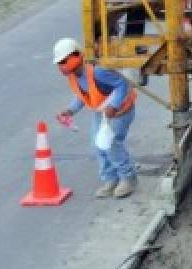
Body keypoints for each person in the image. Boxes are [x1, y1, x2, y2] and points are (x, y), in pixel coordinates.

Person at [53, 37, 138, 199]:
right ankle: (111, 178)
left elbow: (122, 84)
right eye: (59, 62)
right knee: (98, 145)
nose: (62, 66)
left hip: (122, 111)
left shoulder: (97, 71)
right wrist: (70, 110)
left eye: (64, 61)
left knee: (111, 143)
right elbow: (82, 95)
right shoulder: (73, 75)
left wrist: (114, 105)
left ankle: (128, 178)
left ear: (77, 55)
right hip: (102, 112)